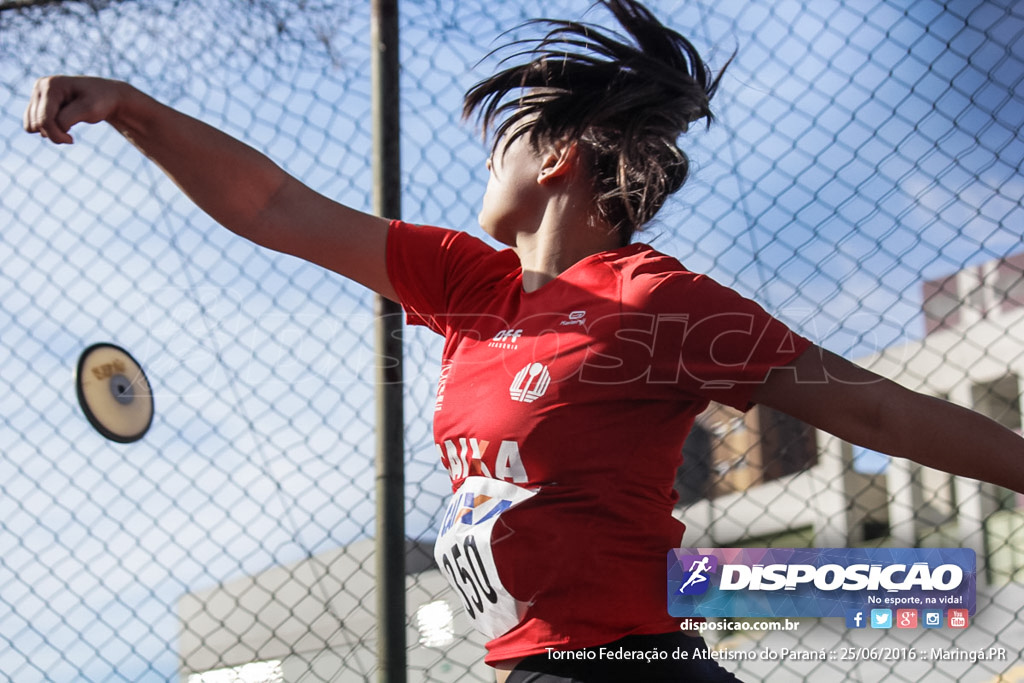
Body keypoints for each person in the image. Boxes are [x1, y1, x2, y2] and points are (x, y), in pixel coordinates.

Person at [23, 1, 1024, 681]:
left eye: (503, 135)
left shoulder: (652, 298)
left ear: (559, 156)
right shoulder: (467, 285)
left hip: (627, 663)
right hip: (526, 664)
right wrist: (134, 109)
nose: (485, 153)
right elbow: (278, 204)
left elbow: (872, 406)